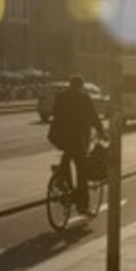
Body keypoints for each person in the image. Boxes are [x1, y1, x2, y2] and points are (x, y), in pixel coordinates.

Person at [48, 75, 106, 217]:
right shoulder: (84, 99)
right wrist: (102, 133)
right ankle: (83, 205)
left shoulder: (61, 97)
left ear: (70, 84)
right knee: (82, 171)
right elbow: (93, 117)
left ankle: (62, 178)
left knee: (67, 157)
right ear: (81, 86)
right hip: (77, 139)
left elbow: (55, 114)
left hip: (59, 136)